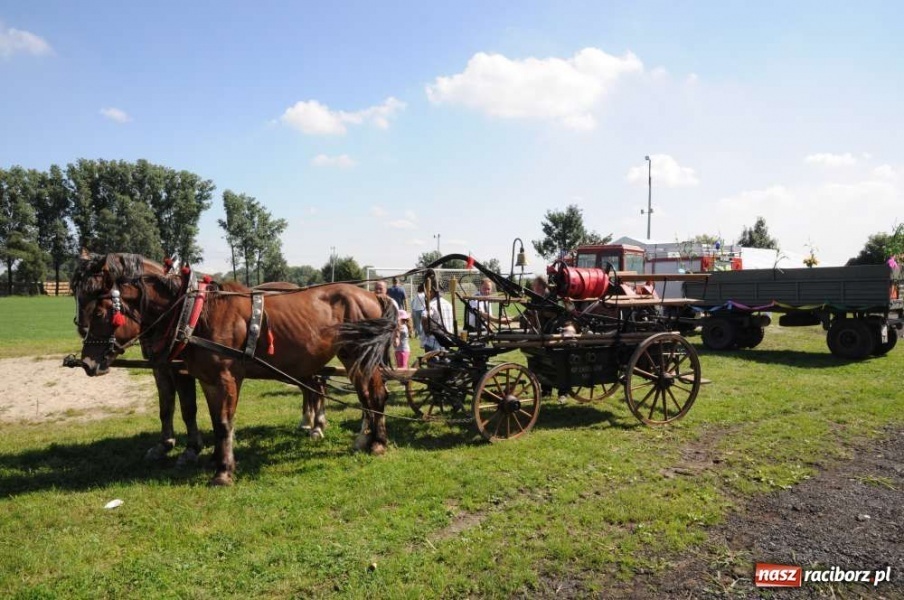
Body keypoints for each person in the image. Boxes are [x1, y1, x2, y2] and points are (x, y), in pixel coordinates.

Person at [421, 284, 454, 353]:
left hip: (434, 341)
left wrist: (427, 332)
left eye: (429, 292)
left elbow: (424, 317)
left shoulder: (431, 305)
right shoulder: (449, 304)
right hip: (447, 340)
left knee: (433, 362)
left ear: (432, 292)